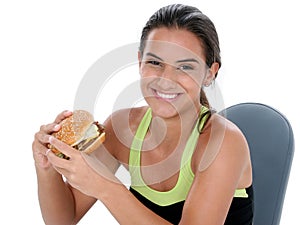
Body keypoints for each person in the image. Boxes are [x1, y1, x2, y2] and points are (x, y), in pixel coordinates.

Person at [32, 4, 253, 225]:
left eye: (185, 67)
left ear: (209, 73)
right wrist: (47, 167)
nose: (166, 79)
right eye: (155, 63)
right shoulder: (122, 129)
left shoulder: (224, 142)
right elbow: (63, 219)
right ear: (140, 62)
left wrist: (106, 187)